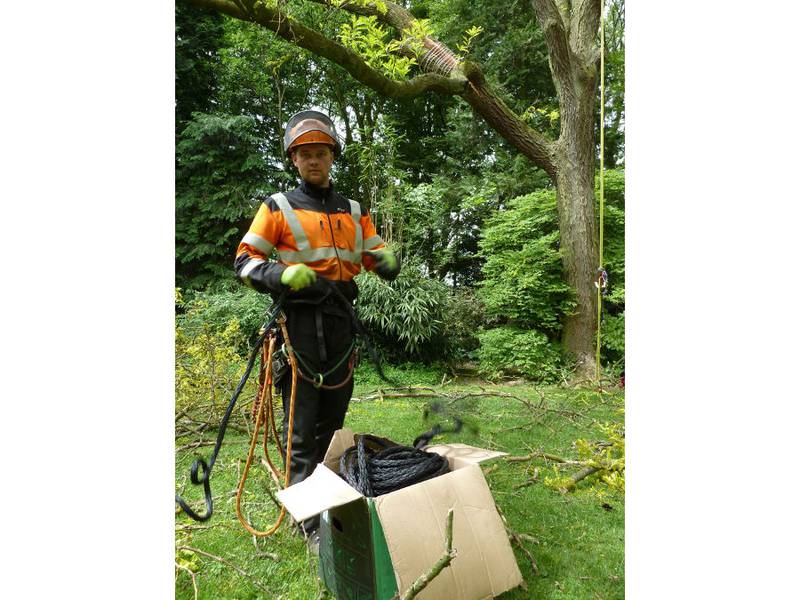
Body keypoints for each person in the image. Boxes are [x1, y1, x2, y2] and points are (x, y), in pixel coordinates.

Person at [233, 109, 399, 540]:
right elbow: (245, 260)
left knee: (334, 422)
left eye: (321, 152)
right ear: (293, 158)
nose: (313, 160)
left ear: (331, 157)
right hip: (300, 325)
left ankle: (328, 499)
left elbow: (373, 251)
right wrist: (278, 274)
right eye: (305, 153)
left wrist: (385, 262)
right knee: (301, 426)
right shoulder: (279, 207)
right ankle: (307, 520)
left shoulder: (353, 210)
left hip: (342, 323)